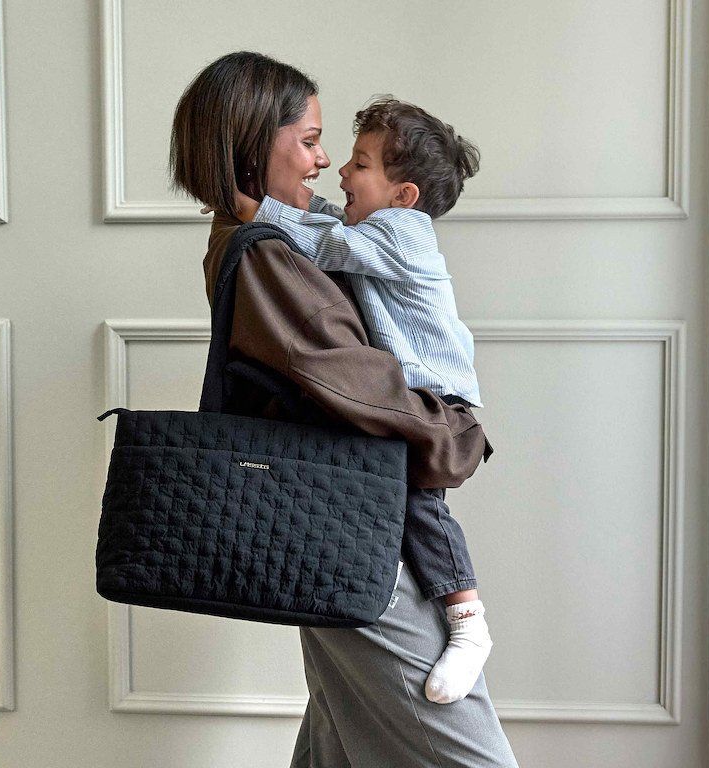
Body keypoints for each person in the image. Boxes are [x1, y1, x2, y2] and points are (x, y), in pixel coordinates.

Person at [170, 51, 519, 767]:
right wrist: (454, 432)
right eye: (308, 141)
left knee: (337, 744)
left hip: (331, 528)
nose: (325, 160)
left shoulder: (271, 241)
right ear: (251, 143)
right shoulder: (266, 253)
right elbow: (356, 386)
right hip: (362, 538)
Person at [231, 96, 493, 706]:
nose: (342, 171)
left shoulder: (402, 232)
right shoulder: (378, 227)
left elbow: (327, 243)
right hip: (415, 389)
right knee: (408, 500)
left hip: (434, 395)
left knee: (420, 503)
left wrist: (255, 210)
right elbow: (330, 224)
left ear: (404, 196)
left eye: (361, 164)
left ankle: (467, 620)